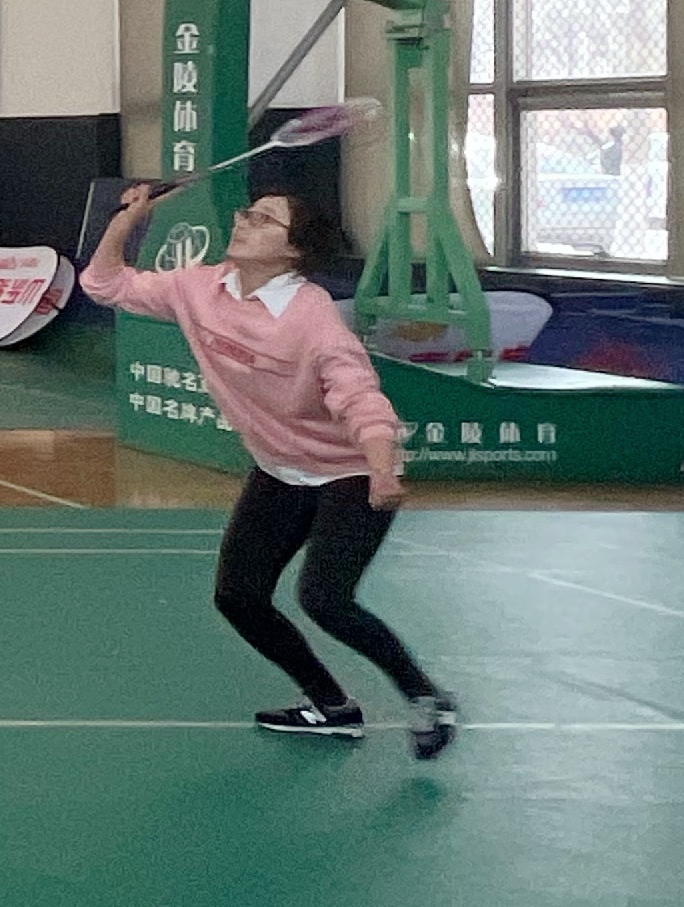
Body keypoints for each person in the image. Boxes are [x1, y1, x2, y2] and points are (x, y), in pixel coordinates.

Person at [85, 181, 457, 755]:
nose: (243, 222)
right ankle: (331, 705)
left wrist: (383, 470)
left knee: (325, 600)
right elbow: (105, 284)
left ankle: (425, 696)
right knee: (239, 597)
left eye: (263, 220)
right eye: (247, 213)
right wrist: (128, 219)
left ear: (293, 250)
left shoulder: (312, 318)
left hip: (350, 472)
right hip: (279, 469)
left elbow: (361, 398)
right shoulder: (198, 287)